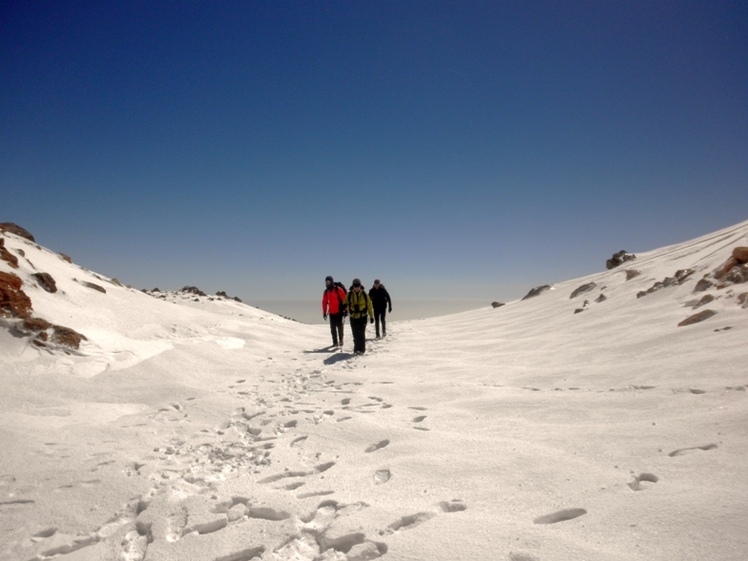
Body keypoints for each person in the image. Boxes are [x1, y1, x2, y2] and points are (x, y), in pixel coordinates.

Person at [343, 278, 374, 355]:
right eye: (355, 286)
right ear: (353, 286)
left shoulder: (364, 294)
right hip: (353, 317)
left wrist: (371, 316)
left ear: (360, 286)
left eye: (358, 286)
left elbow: (369, 305)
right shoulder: (349, 295)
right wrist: (344, 308)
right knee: (355, 334)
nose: (357, 288)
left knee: (361, 333)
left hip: (362, 317)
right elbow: (345, 303)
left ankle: (362, 350)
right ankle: (356, 349)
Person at [322, 276, 346, 348]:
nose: (327, 284)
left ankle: (341, 340)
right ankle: (335, 342)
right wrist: (324, 312)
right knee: (332, 328)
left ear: (332, 282)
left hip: (339, 311)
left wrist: (346, 310)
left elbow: (345, 300)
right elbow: (324, 302)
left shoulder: (338, 290)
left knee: (339, 326)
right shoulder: (326, 292)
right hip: (331, 312)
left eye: (328, 282)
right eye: (326, 282)